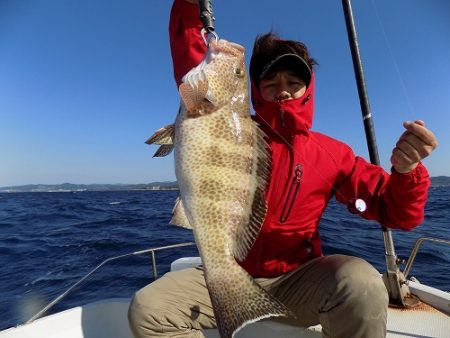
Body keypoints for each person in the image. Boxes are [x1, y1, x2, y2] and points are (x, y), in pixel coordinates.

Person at [128, 0, 438, 337]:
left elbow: (397, 214)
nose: (283, 92)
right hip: (226, 269)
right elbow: (191, 61)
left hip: (297, 282)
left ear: (309, 88)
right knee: (148, 310)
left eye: (293, 81)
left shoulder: (332, 153)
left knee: (362, 283)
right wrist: (191, 6)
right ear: (255, 91)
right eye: (270, 83)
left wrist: (407, 171)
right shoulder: (221, 117)